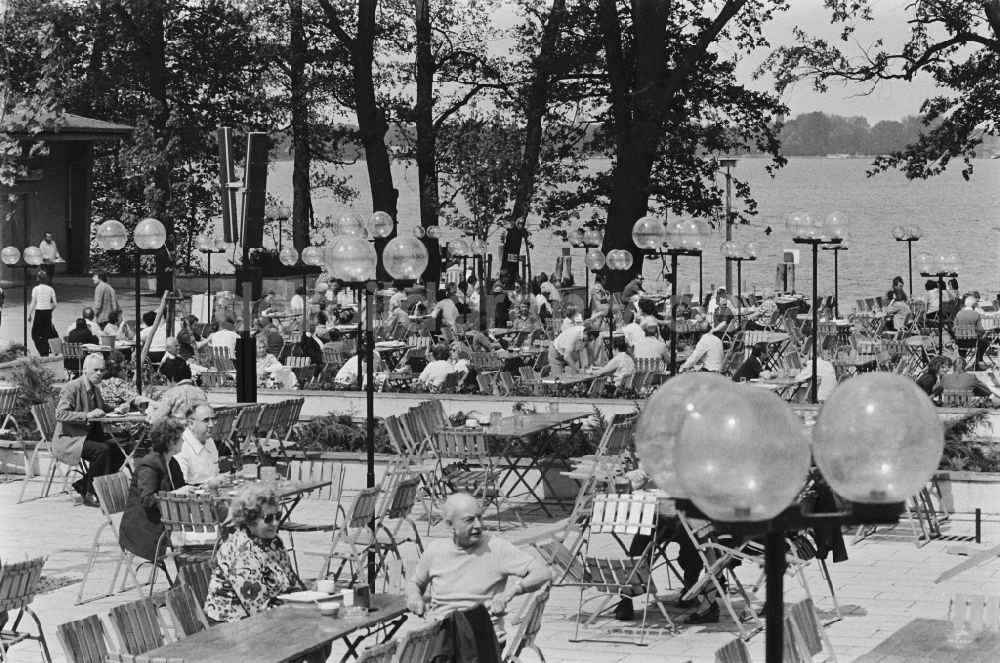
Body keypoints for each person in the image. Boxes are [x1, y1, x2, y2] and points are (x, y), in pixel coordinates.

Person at [406, 493, 551, 642]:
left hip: (483, 642)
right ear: (450, 524)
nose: (478, 525)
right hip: (444, 637)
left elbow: (543, 573)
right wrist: (414, 597)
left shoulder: (496, 547)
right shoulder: (435, 550)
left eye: (479, 517)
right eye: (469, 520)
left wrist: (511, 592)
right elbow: (415, 583)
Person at [202, 482, 321, 658]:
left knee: (320, 634)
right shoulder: (240, 551)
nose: (275, 523)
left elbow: (291, 585)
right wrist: (300, 614)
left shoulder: (274, 542)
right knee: (306, 636)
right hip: (231, 628)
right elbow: (259, 609)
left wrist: (311, 603)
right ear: (249, 520)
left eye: (277, 515)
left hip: (265, 619)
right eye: (268, 518)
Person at [53, 353, 129, 506]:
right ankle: (91, 493)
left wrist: (117, 408)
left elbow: (102, 408)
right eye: (95, 370)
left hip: (88, 437)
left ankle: (84, 484)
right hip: (70, 439)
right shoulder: (72, 387)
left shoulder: (95, 389)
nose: (99, 373)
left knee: (119, 451)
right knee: (102, 450)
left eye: (102, 370)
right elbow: (60, 414)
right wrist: (87, 415)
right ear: (85, 369)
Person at [118, 418, 187, 562]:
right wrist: (176, 494)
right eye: (181, 439)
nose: (184, 442)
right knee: (198, 542)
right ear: (171, 443)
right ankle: (186, 580)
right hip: (145, 530)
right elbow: (147, 500)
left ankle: (187, 580)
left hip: (168, 521)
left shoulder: (171, 462)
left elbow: (182, 488)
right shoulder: (149, 465)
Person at [174, 404, 221, 485]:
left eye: (213, 419)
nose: (211, 425)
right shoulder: (181, 447)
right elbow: (182, 488)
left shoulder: (209, 440)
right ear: (191, 423)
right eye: (206, 420)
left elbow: (215, 475)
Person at [27, 269, 57, 356]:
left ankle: (43, 352)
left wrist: (29, 314)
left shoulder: (35, 289)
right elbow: (55, 304)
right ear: (46, 279)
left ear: (38, 278)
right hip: (48, 312)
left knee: (35, 333)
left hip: (39, 312)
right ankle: (47, 350)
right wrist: (50, 311)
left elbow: (33, 302)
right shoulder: (51, 289)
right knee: (46, 332)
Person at [954, 294, 986, 369]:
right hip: (973, 342)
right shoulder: (976, 314)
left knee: (963, 341)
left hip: (960, 342)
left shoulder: (959, 314)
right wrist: (982, 333)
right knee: (984, 344)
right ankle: (977, 362)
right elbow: (980, 329)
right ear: (973, 305)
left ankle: (962, 361)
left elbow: (954, 328)